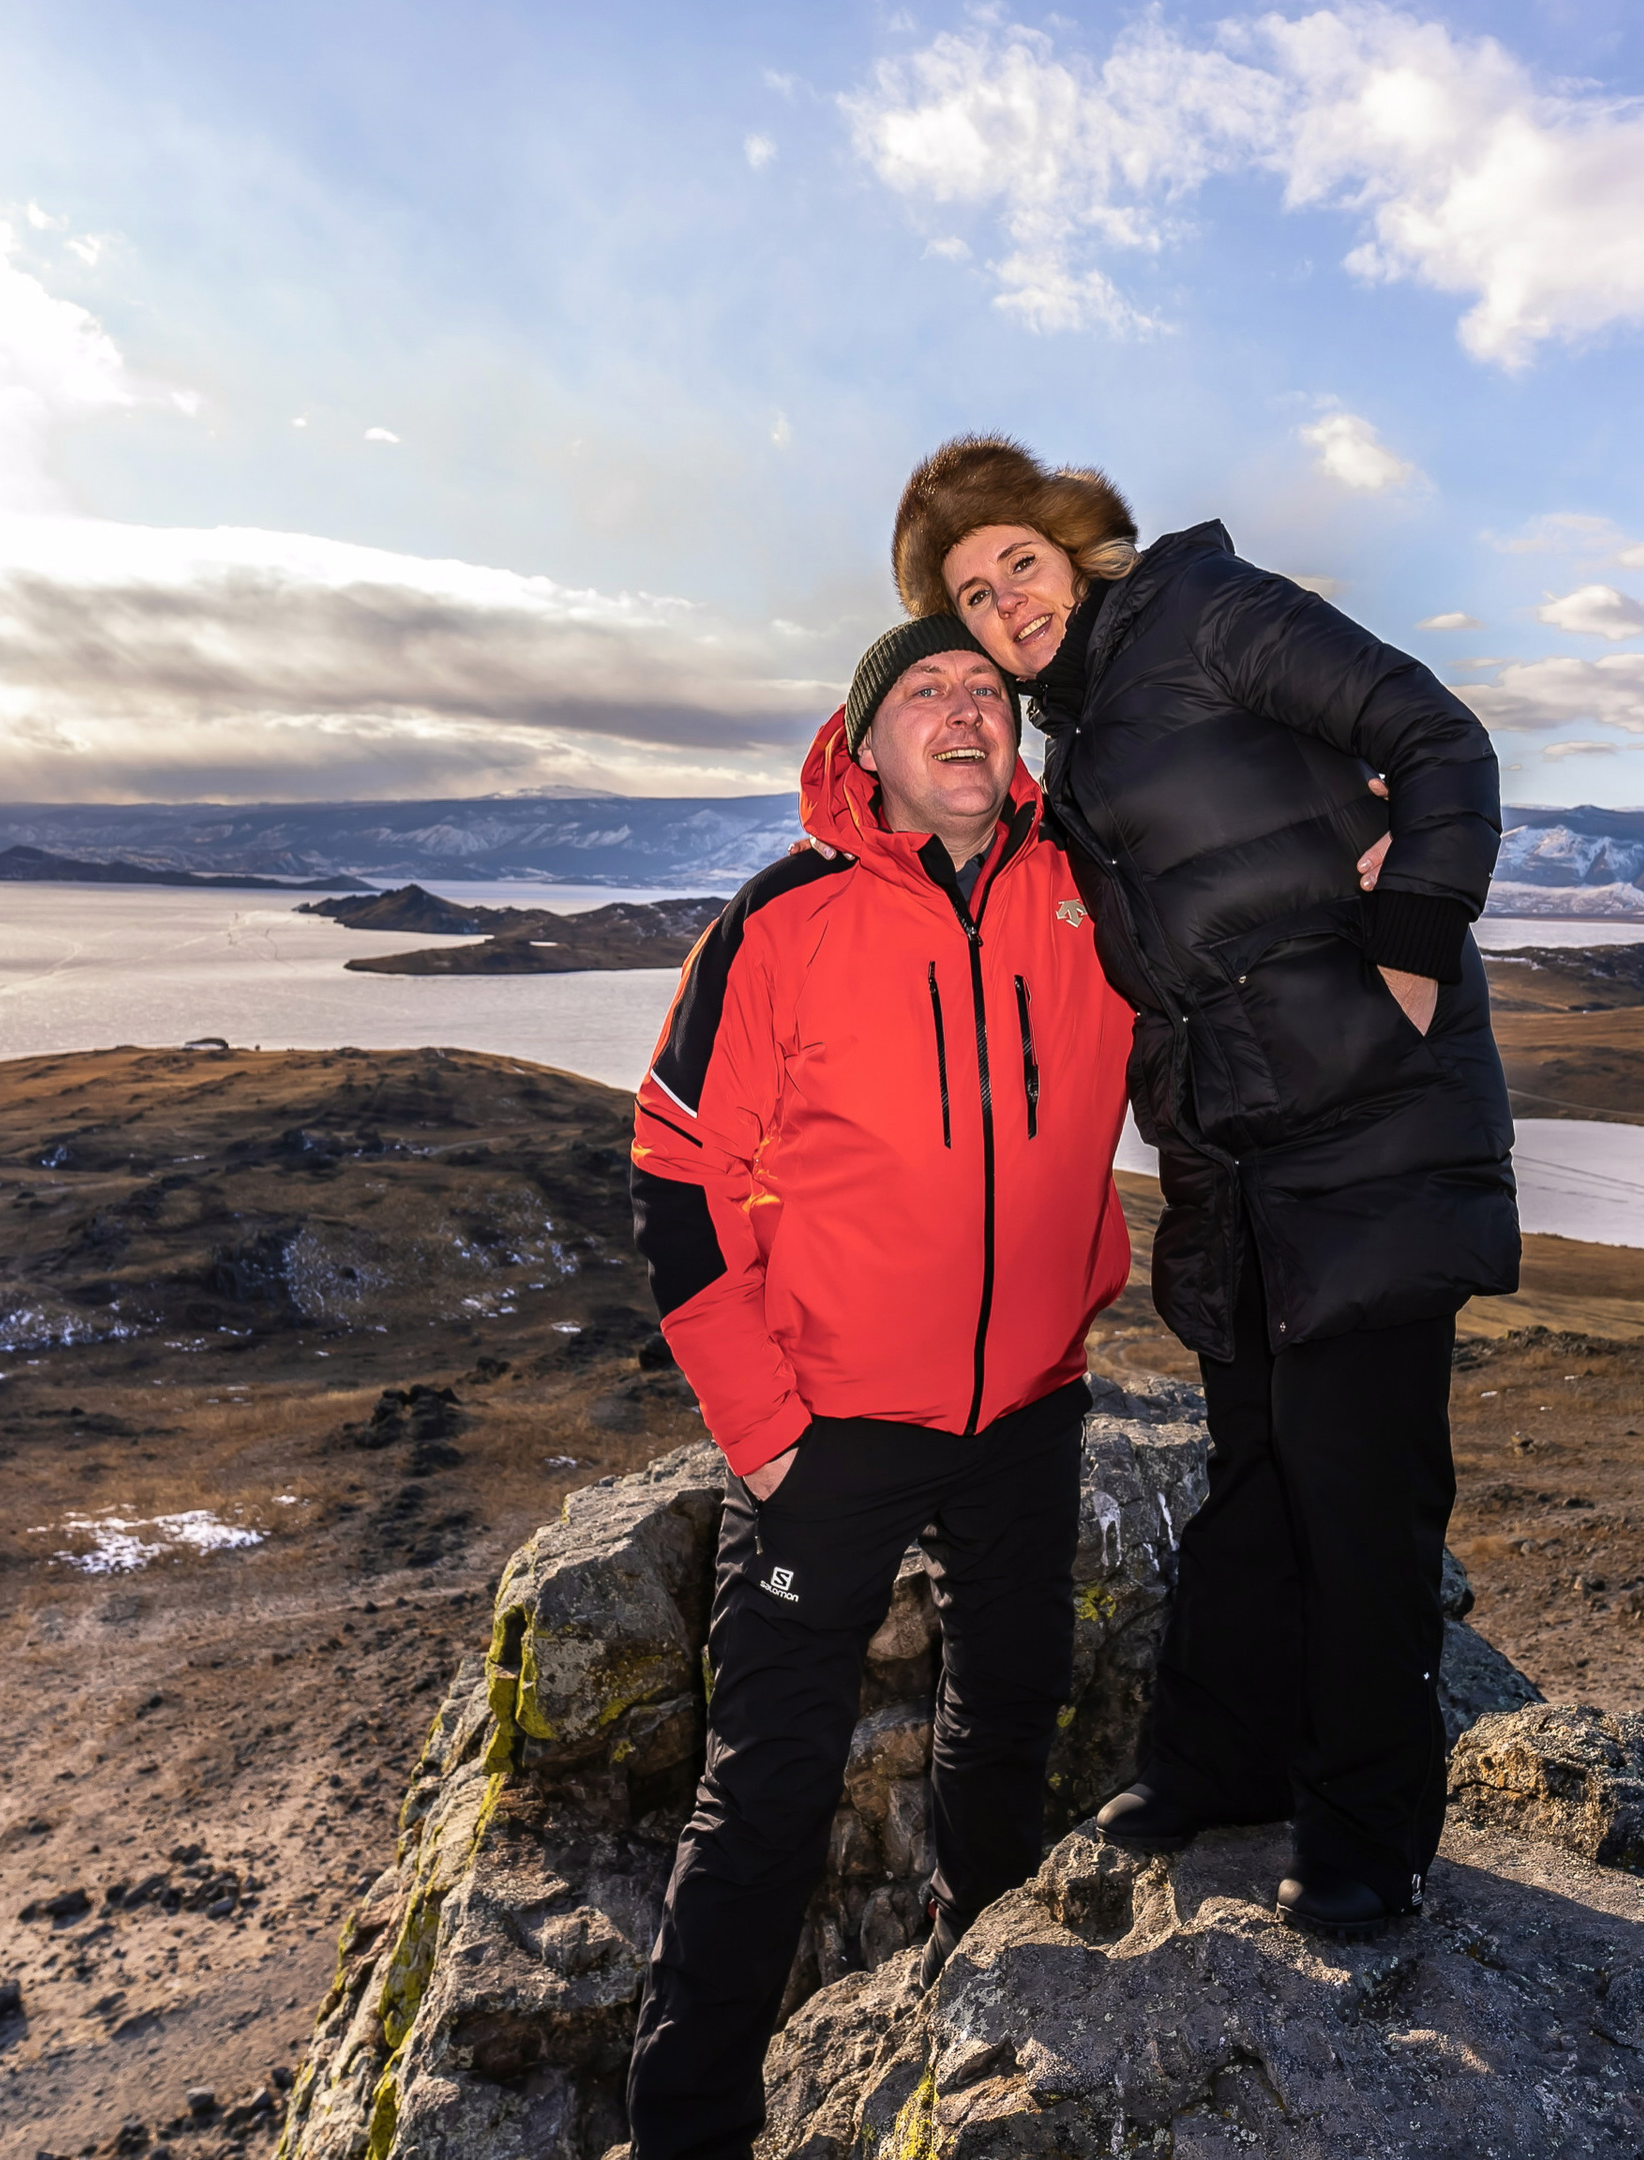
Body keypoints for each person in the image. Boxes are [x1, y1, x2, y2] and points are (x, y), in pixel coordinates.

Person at [890, 433, 1519, 1941]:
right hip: (1234, 1166)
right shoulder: (1078, 731)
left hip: (1368, 1128)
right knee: (1254, 1475)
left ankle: (1369, 1835)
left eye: (1017, 564)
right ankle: (1220, 1763)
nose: (1005, 607)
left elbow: (1440, 738)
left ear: (1076, 543)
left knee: (1360, 1493)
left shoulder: (1213, 609)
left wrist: (1416, 946)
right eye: (971, 596)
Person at [624, 616, 1137, 2160]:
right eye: (930, 690)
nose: (970, 707)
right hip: (829, 1431)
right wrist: (762, 1432)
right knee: (768, 1782)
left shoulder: (1089, 893)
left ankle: (981, 1989)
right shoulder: (782, 920)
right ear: (868, 743)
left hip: (1029, 1405)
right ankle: (686, 2128)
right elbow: (672, 1164)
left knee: (1012, 1709)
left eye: (989, 688)